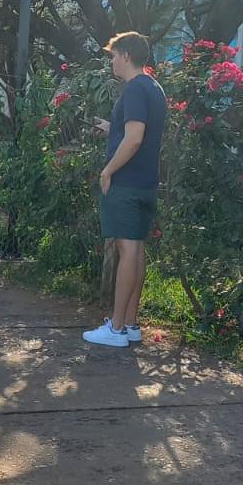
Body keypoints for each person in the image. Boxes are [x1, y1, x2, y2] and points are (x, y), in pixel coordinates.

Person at [83, 32, 167, 348]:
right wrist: (110, 127)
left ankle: (116, 328)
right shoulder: (153, 88)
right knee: (137, 248)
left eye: (114, 55)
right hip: (146, 182)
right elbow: (134, 131)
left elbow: (134, 138)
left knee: (126, 249)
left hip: (127, 182)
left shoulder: (133, 89)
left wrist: (108, 171)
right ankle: (130, 324)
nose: (112, 61)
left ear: (126, 56)